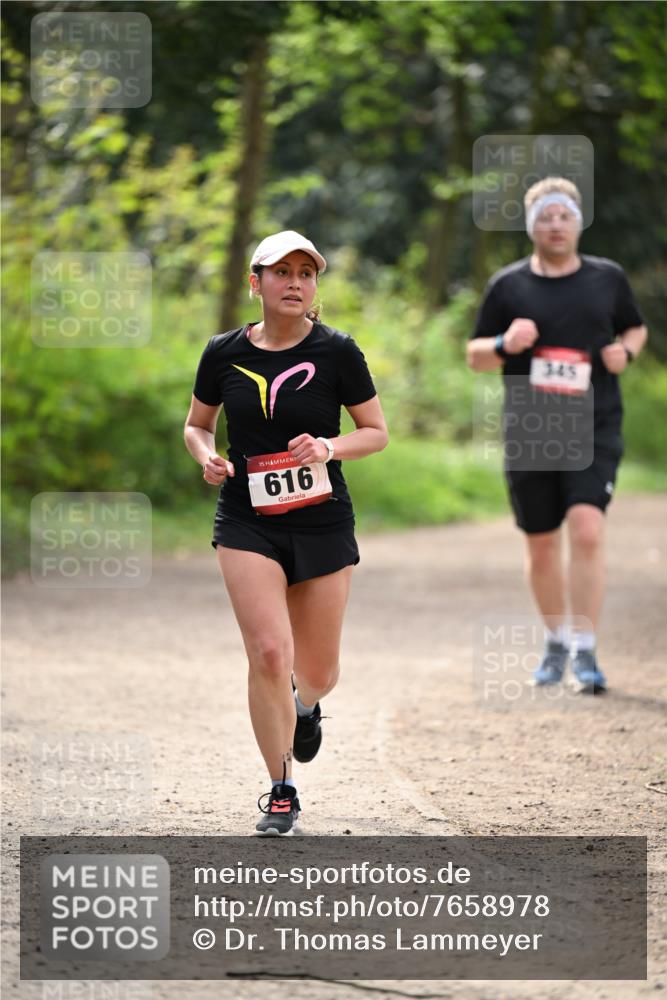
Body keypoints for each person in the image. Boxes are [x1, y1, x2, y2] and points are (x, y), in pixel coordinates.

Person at [184, 230, 388, 834]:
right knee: (270, 652)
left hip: (322, 518)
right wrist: (207, 456)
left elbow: (375, 431)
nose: (295, 282)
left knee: (318, 669)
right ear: (257, 283)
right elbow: (197, 424)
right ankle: (280, 787)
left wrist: (328, 446)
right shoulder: (223, 352)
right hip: (246, 518)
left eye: (306, 272)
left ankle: (305, 706)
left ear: (315, 285)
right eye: (281, 272)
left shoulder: (338, 352)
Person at [467, 177, 647, 693]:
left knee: (587, 530)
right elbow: (475, 356)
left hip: (596, 423)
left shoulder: (608, 278)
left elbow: (634, 326)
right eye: (545, 216)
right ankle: (556, 642)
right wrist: (505, 341)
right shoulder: (508, 286)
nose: (556, 224)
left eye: (564, 215)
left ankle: (587, 651)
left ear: (577, 221)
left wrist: (626, 352)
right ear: (532, 226)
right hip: (533, 427)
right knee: (542, 545)